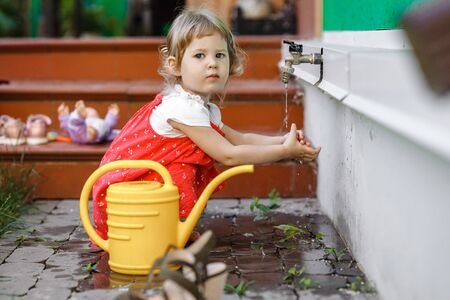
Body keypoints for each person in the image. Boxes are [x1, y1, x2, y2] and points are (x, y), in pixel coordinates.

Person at [92, 8, 321, 240]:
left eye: (219, 55)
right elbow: (229, 154)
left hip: (133, 194)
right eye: (200, 56)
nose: (212, 63)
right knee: (181, 169)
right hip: (121, 203)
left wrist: (282, 140)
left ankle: (168, 229)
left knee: (183, 167)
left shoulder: (199, 107)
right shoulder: (182, 108)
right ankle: (163, 232)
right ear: (175, 65)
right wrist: (284, 152)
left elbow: (240, 139)